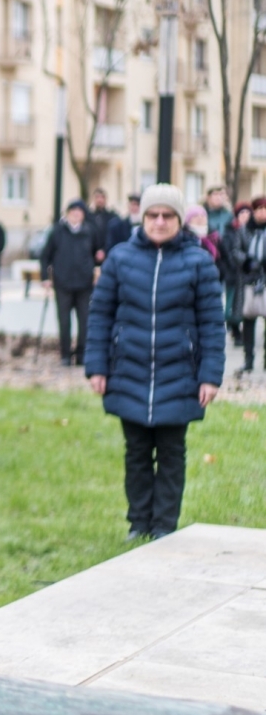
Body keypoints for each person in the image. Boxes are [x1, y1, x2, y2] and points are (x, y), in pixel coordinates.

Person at [84, 183, 224, 542]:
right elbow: (100, 315)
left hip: (180, 374)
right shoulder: (119, 258)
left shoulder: (199, 262)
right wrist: (97, 366)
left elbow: (212, 323)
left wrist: (210, 376)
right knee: (137, 453)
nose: (159, 221)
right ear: (143, 218)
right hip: (128, 371)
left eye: (167, 215)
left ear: (179, 219)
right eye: (152, 214)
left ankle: (164, 525)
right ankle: (139, 522)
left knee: (172, 453)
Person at [41, 200, 102, 366]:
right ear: (67, 214)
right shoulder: (57, 232)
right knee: (64, 321)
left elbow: (98, 251)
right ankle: (65, 354)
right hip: (63, 283)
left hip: (84, 284)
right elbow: (45, 256)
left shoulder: (90, 231)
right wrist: (45, 277)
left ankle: (81, 354)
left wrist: (98, 264)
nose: (76, 214)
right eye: (73, 211)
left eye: (79, 211)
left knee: (85, 321)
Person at [235, 199, 266, 373]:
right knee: (248, 321)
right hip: (248, 281)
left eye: (265, 209)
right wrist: (247, 262)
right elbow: (235, 251)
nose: (262, 212)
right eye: (259, 209)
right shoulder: (244, 230)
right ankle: (248, 360)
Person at [220, 202, 253, 347]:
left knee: (246, 307)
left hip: (248, 275)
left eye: (247, 213)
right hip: (232, 274)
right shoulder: (230, 230)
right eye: (242, 213)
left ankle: (240, 335)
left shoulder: (252, 230)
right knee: (230, 308)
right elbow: (227, 251)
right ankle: (234, 328)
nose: (245, 216)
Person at [89, 187, 119, 262]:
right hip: (90, 257)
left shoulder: (112, 216)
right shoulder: (88, 217)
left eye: (102, 197)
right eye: (97, 197)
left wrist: (104, 250)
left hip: (109, 256)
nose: (100, 200)